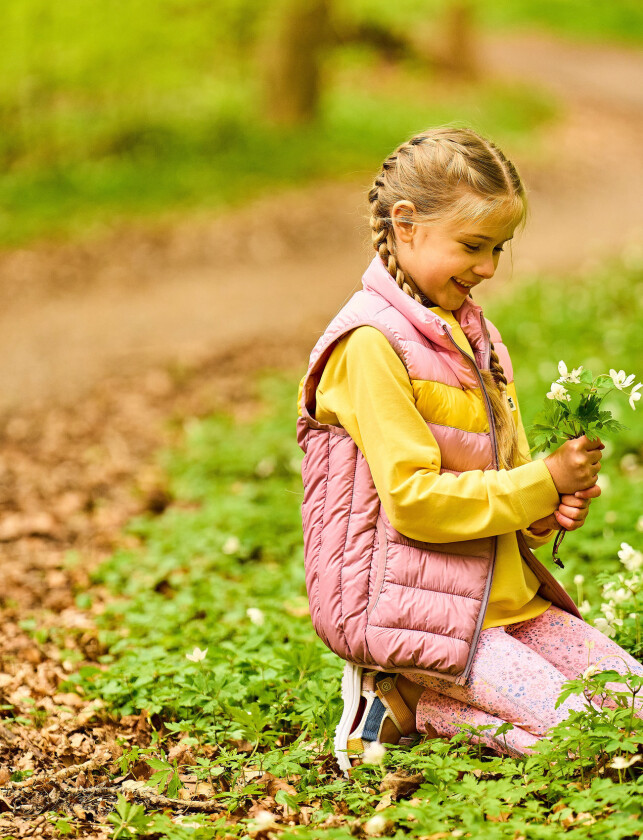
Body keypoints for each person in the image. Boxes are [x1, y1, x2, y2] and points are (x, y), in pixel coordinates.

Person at [296, 127, 643, 773]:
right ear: (406, 224)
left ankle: (415, 697)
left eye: (497, 248)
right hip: (414, 611)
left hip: (503, 599)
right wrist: (540, 479)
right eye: (472, 246)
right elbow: (415, 504)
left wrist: (544, 506)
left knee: (635, 713)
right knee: (595, 742)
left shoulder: (475, 335)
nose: (487, 267)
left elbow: (499, 481)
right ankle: (404, 697)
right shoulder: (368, 345)